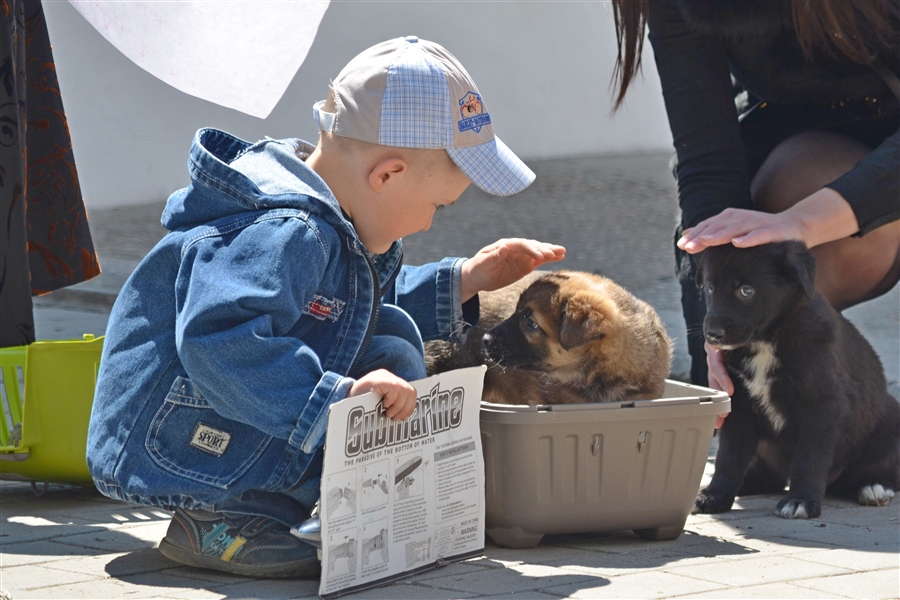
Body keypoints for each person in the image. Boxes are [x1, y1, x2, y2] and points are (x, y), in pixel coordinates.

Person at [86, 36, 565, 579]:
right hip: (173, 435)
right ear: (386, 175)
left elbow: (344, 309)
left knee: (389, 337)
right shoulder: (287, 231)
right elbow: (220, 341)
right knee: (374, 359)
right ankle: (225, 518)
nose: (432, 221)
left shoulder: (329, 219)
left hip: (209, 418)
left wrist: (465, 281)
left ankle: (331, 507)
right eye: (438, 205)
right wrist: (336, 400)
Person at [610, 0, 899, 397]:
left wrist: (805, 221)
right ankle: (798, 409)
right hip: (798, 143)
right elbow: (708, 167)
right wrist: (716, 340)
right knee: (755, 242)